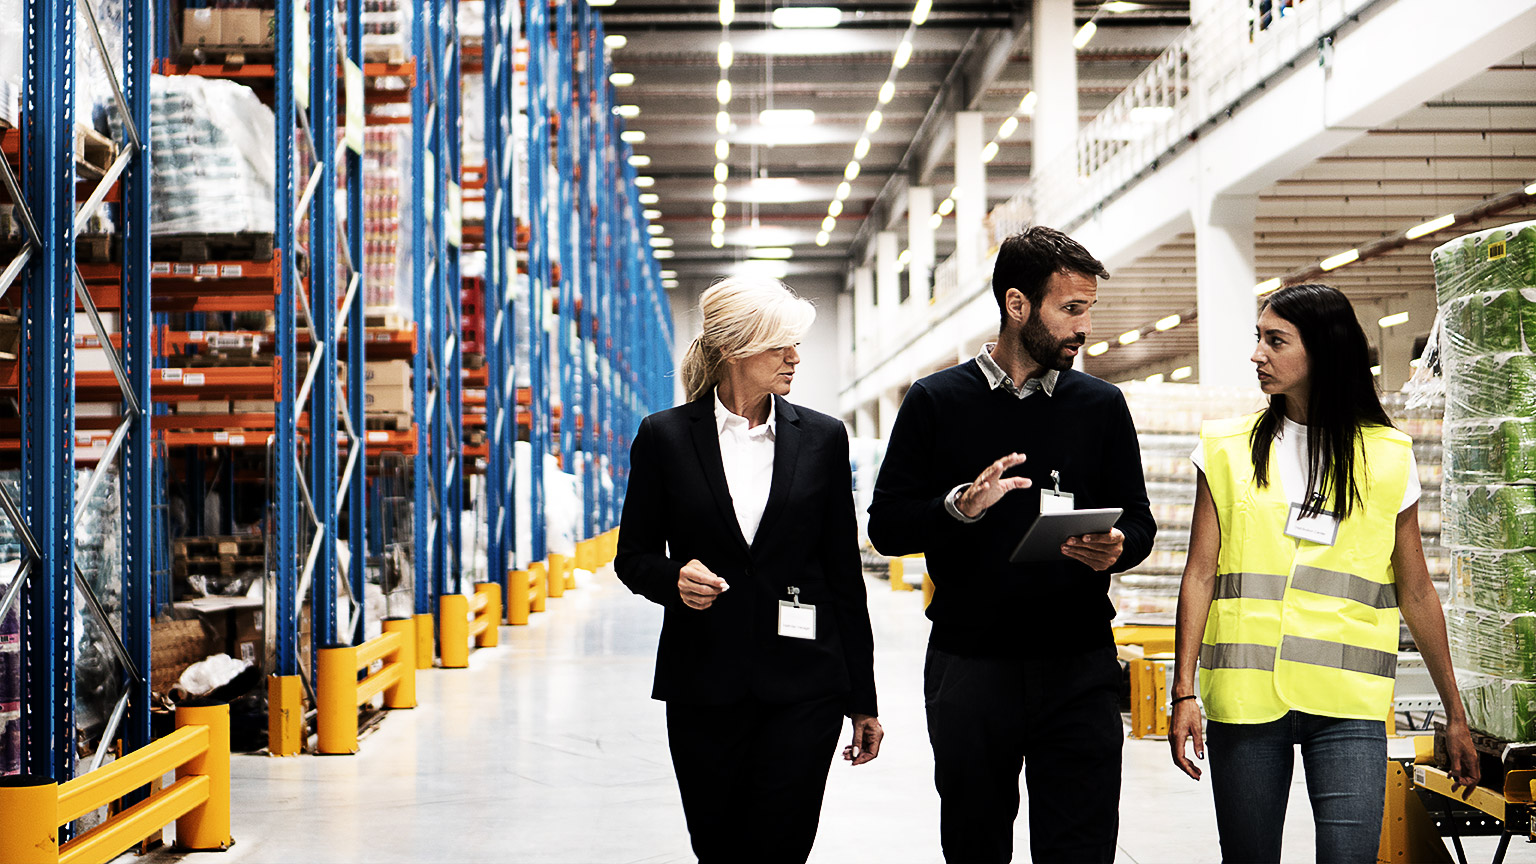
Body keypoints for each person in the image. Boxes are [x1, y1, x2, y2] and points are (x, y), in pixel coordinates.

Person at [868, 226, 1156, 863]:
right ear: (1017, 305)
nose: (1083, 327)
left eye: (1089, 310)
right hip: (973, 666)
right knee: (976, 844)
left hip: (1079, 663)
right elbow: (886, 526)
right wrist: (959, 506)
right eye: (1071, 310)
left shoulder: (1101, 406)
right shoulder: (936, 401)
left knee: (1080, 847)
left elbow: (1139, 520)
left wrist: (1117, 546)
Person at [1167, 283, 1480, 864]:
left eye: (1275, 341)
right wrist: (1182, 693)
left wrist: (1455, 716)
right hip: (1245, 696)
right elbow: (1200, 575)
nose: (1257, 354)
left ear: (1323, 352)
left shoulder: (1387, 455)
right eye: (1258, 339)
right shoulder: (1226, 448)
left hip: (1347, 702)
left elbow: (1415, 590)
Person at [615, 275, 882, 864]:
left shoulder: (822, 438)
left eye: (795, 344)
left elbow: (843, 575)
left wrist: (863, 699)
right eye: (779, 345)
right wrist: (673, 581)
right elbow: (632, 557)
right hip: (704, 684)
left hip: (805, 685)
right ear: (735, 348)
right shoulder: (664, 438)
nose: (794, 357)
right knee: (718, 846)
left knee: (782, 846)